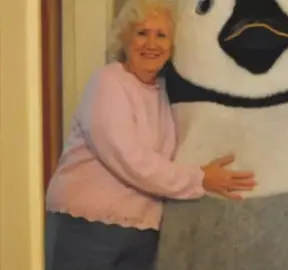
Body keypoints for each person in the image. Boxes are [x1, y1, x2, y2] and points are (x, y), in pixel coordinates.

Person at [45, 0, 256, 269]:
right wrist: (201, 178)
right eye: (142, 33)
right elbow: (129, 159)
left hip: (141, 232)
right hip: (87, 225)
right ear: (125, 39)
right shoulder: (108, 81)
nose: (151, 44)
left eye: (161, 35)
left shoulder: (165, 94)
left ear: (172, 46)